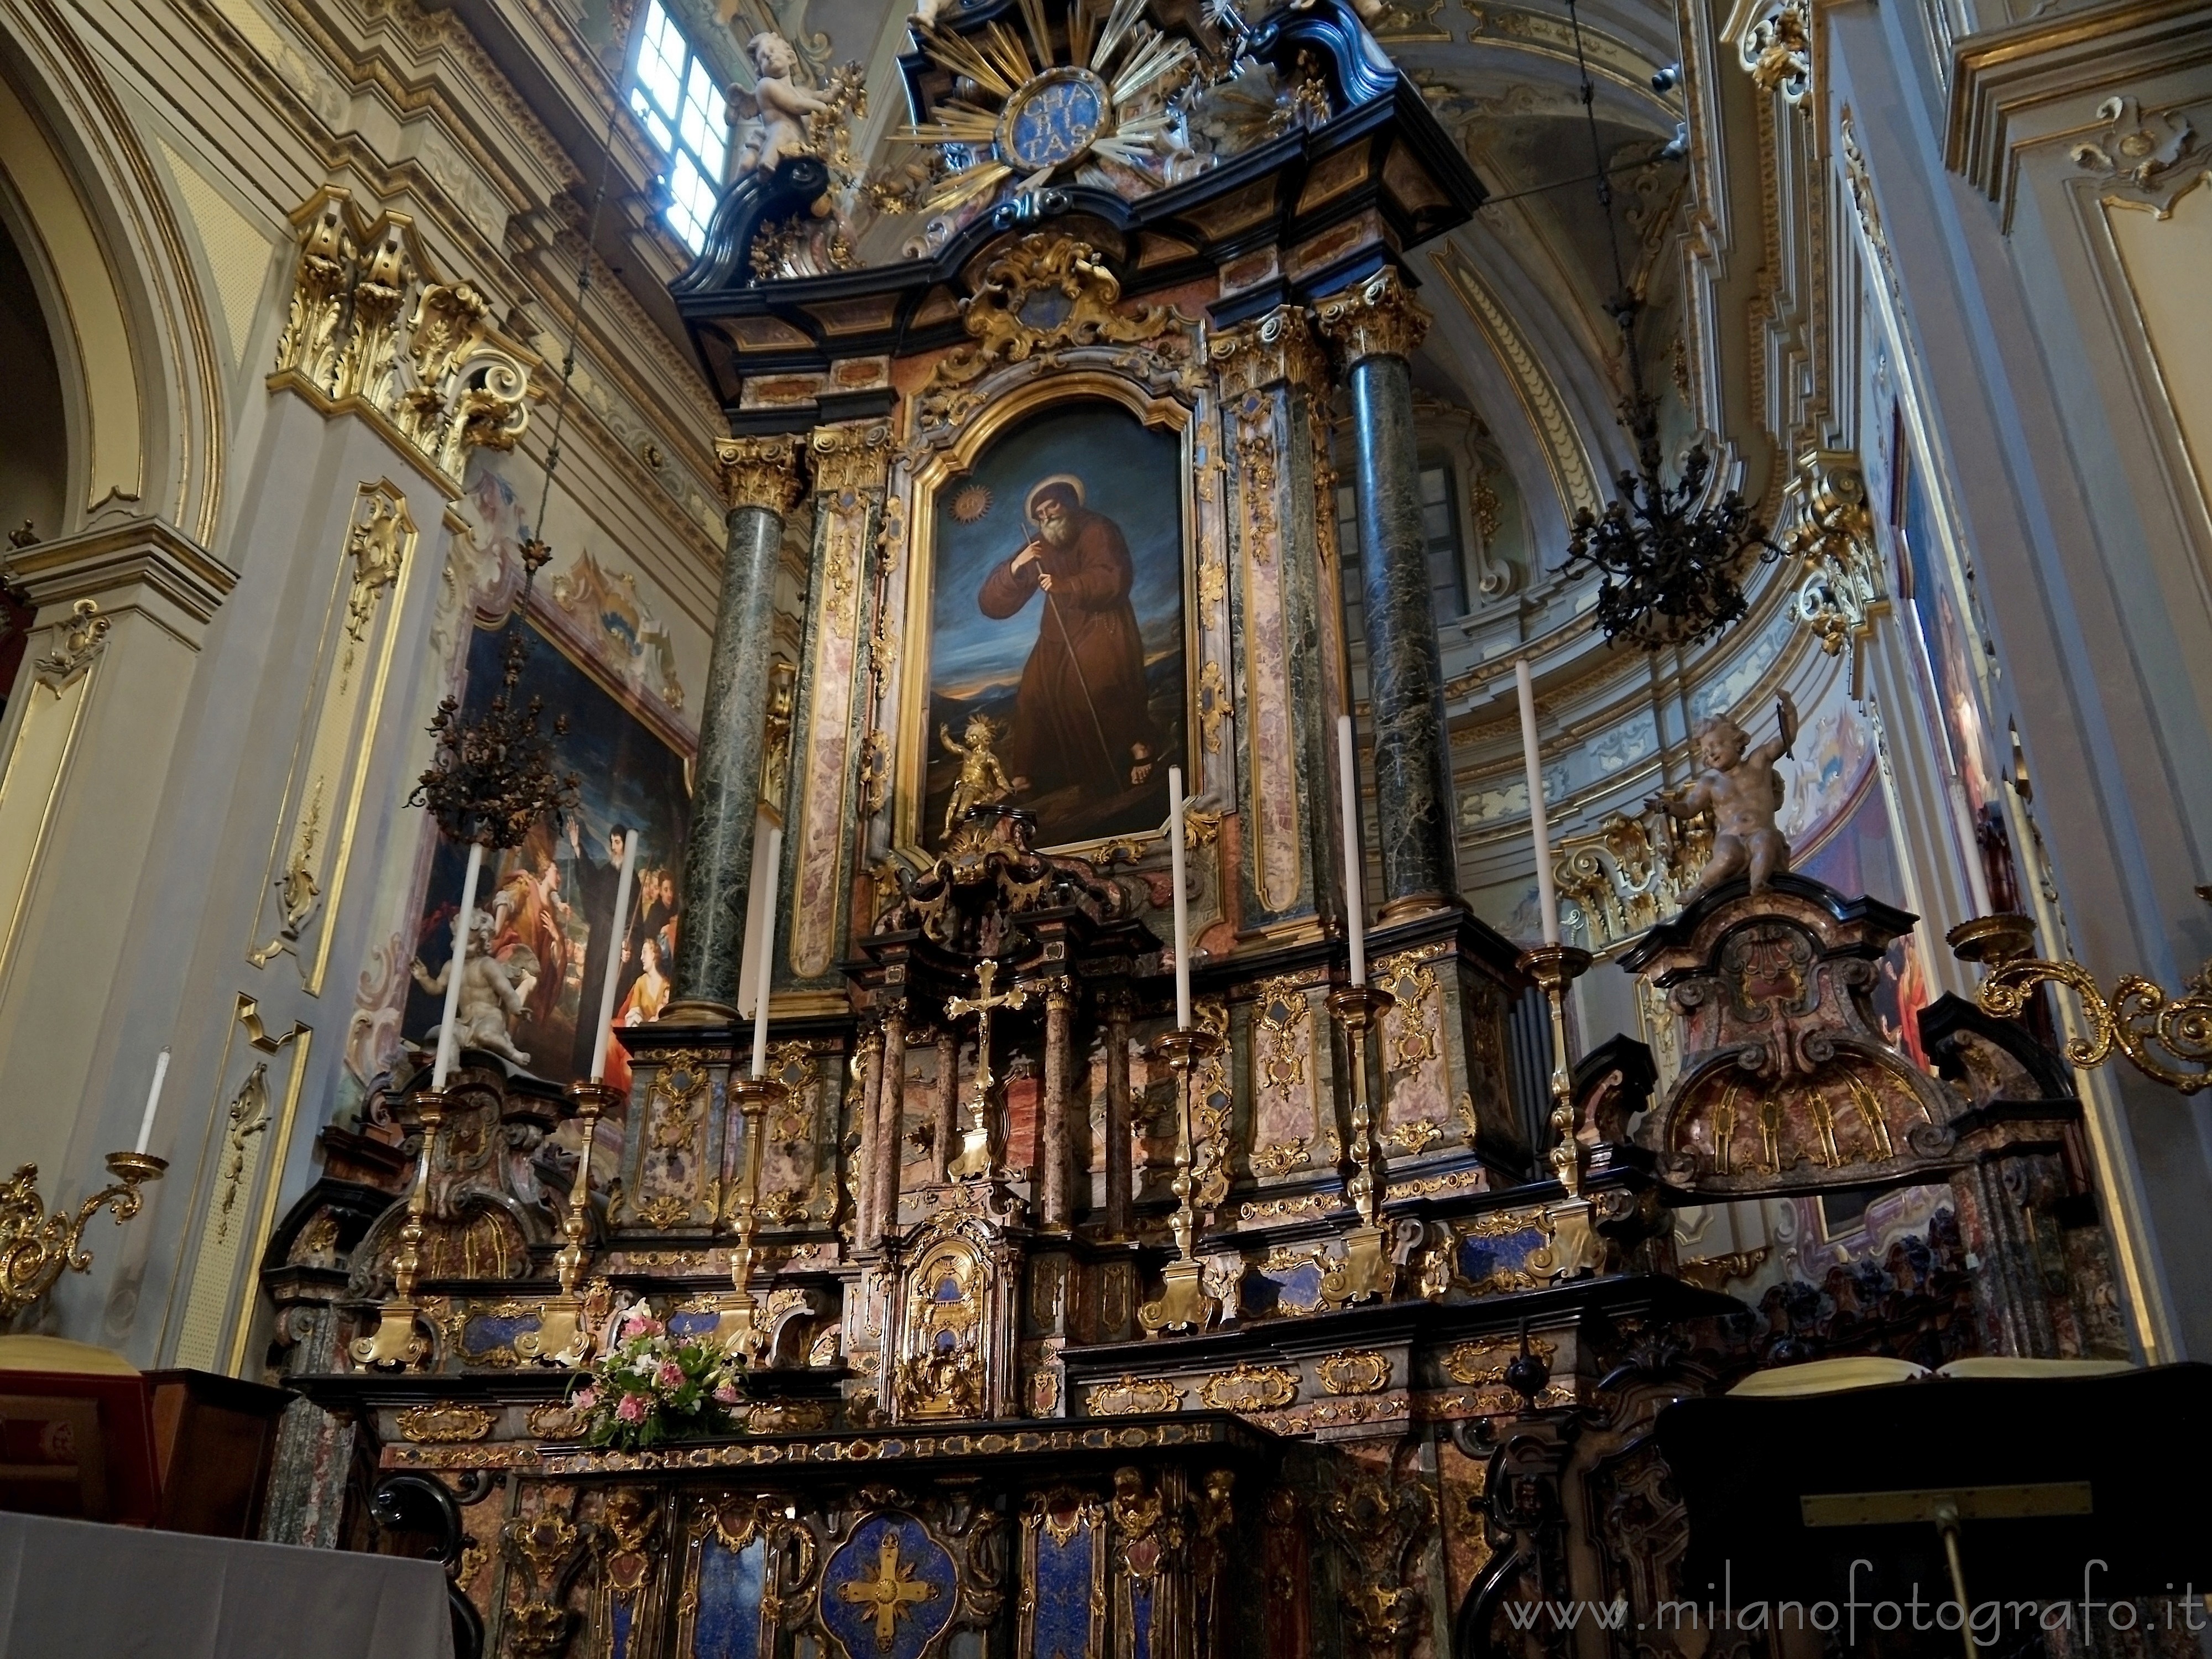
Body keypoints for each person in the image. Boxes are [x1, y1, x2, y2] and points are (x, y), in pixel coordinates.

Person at [976, 476, 1160, 804]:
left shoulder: (1097, 530)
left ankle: (1138, 746)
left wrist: (1066, 586)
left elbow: (1113, 577)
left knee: (1091, 684)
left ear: (1070, 503)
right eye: (1040, 514)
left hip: (1102, 622)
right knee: (1032, 693)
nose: (1046, 517)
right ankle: (1025, 777)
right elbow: (993, 605)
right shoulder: (1040, 545)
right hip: (1058, 632)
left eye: (1052, 507)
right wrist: (1017, 567)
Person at [1647, 692, 1799, 900]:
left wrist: (1789, 710)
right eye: (1707, 752)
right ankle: (1699, 889)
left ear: (1737, 742)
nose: (1712, 754)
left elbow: (1786, 738)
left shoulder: (1758, 761)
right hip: (1730, 836)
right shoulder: (1709, 784)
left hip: (1759, 831)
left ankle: (1758, 883)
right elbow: (1689, 808)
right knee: (1727, 857)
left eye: (1717, 745)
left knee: (1767, 841)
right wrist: (1669, 807)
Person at [564, 817, 632, 1078]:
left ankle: (602, 1065)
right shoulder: (607, 872)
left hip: (616, 946)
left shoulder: (632, 880)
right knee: (592, 996)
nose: (614, 847)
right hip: (599, 943)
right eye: (612, 842)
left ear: (626, 845)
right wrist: (577, 846)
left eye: (617, 842)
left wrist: (628, 942)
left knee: (609, 997)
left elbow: (634, 924)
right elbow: (589, 882)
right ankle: (584, 1059)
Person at [605, 935, 671, 1095]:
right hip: (637, 1033)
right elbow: (634, 1011)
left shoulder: (666, 986)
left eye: (645, 953)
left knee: (630, 1070)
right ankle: (612, 1093)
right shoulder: (641, 982)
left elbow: (664, 1017)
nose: (641, 958)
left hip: (655, 1038)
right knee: (610, 1037)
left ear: (655, 955)